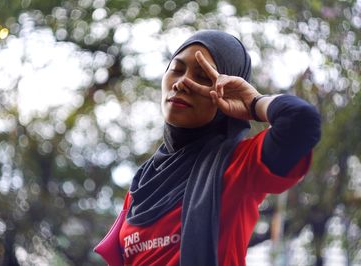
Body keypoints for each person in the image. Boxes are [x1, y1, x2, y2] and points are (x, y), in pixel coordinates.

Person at [94, 30, 321, 266]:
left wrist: (253, 102)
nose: (183, 83)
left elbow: (301, 121)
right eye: (177, 69)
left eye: (203, 77)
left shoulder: (238, 166)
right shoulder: (142, 183)